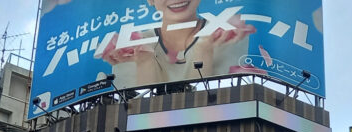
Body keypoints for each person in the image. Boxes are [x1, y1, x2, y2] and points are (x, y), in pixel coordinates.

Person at [101, 0, 257, 86]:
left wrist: (204, 49)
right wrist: (145, 61)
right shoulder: (130, 45)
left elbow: (205, 106)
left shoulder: (227, 34)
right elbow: (139, 116)